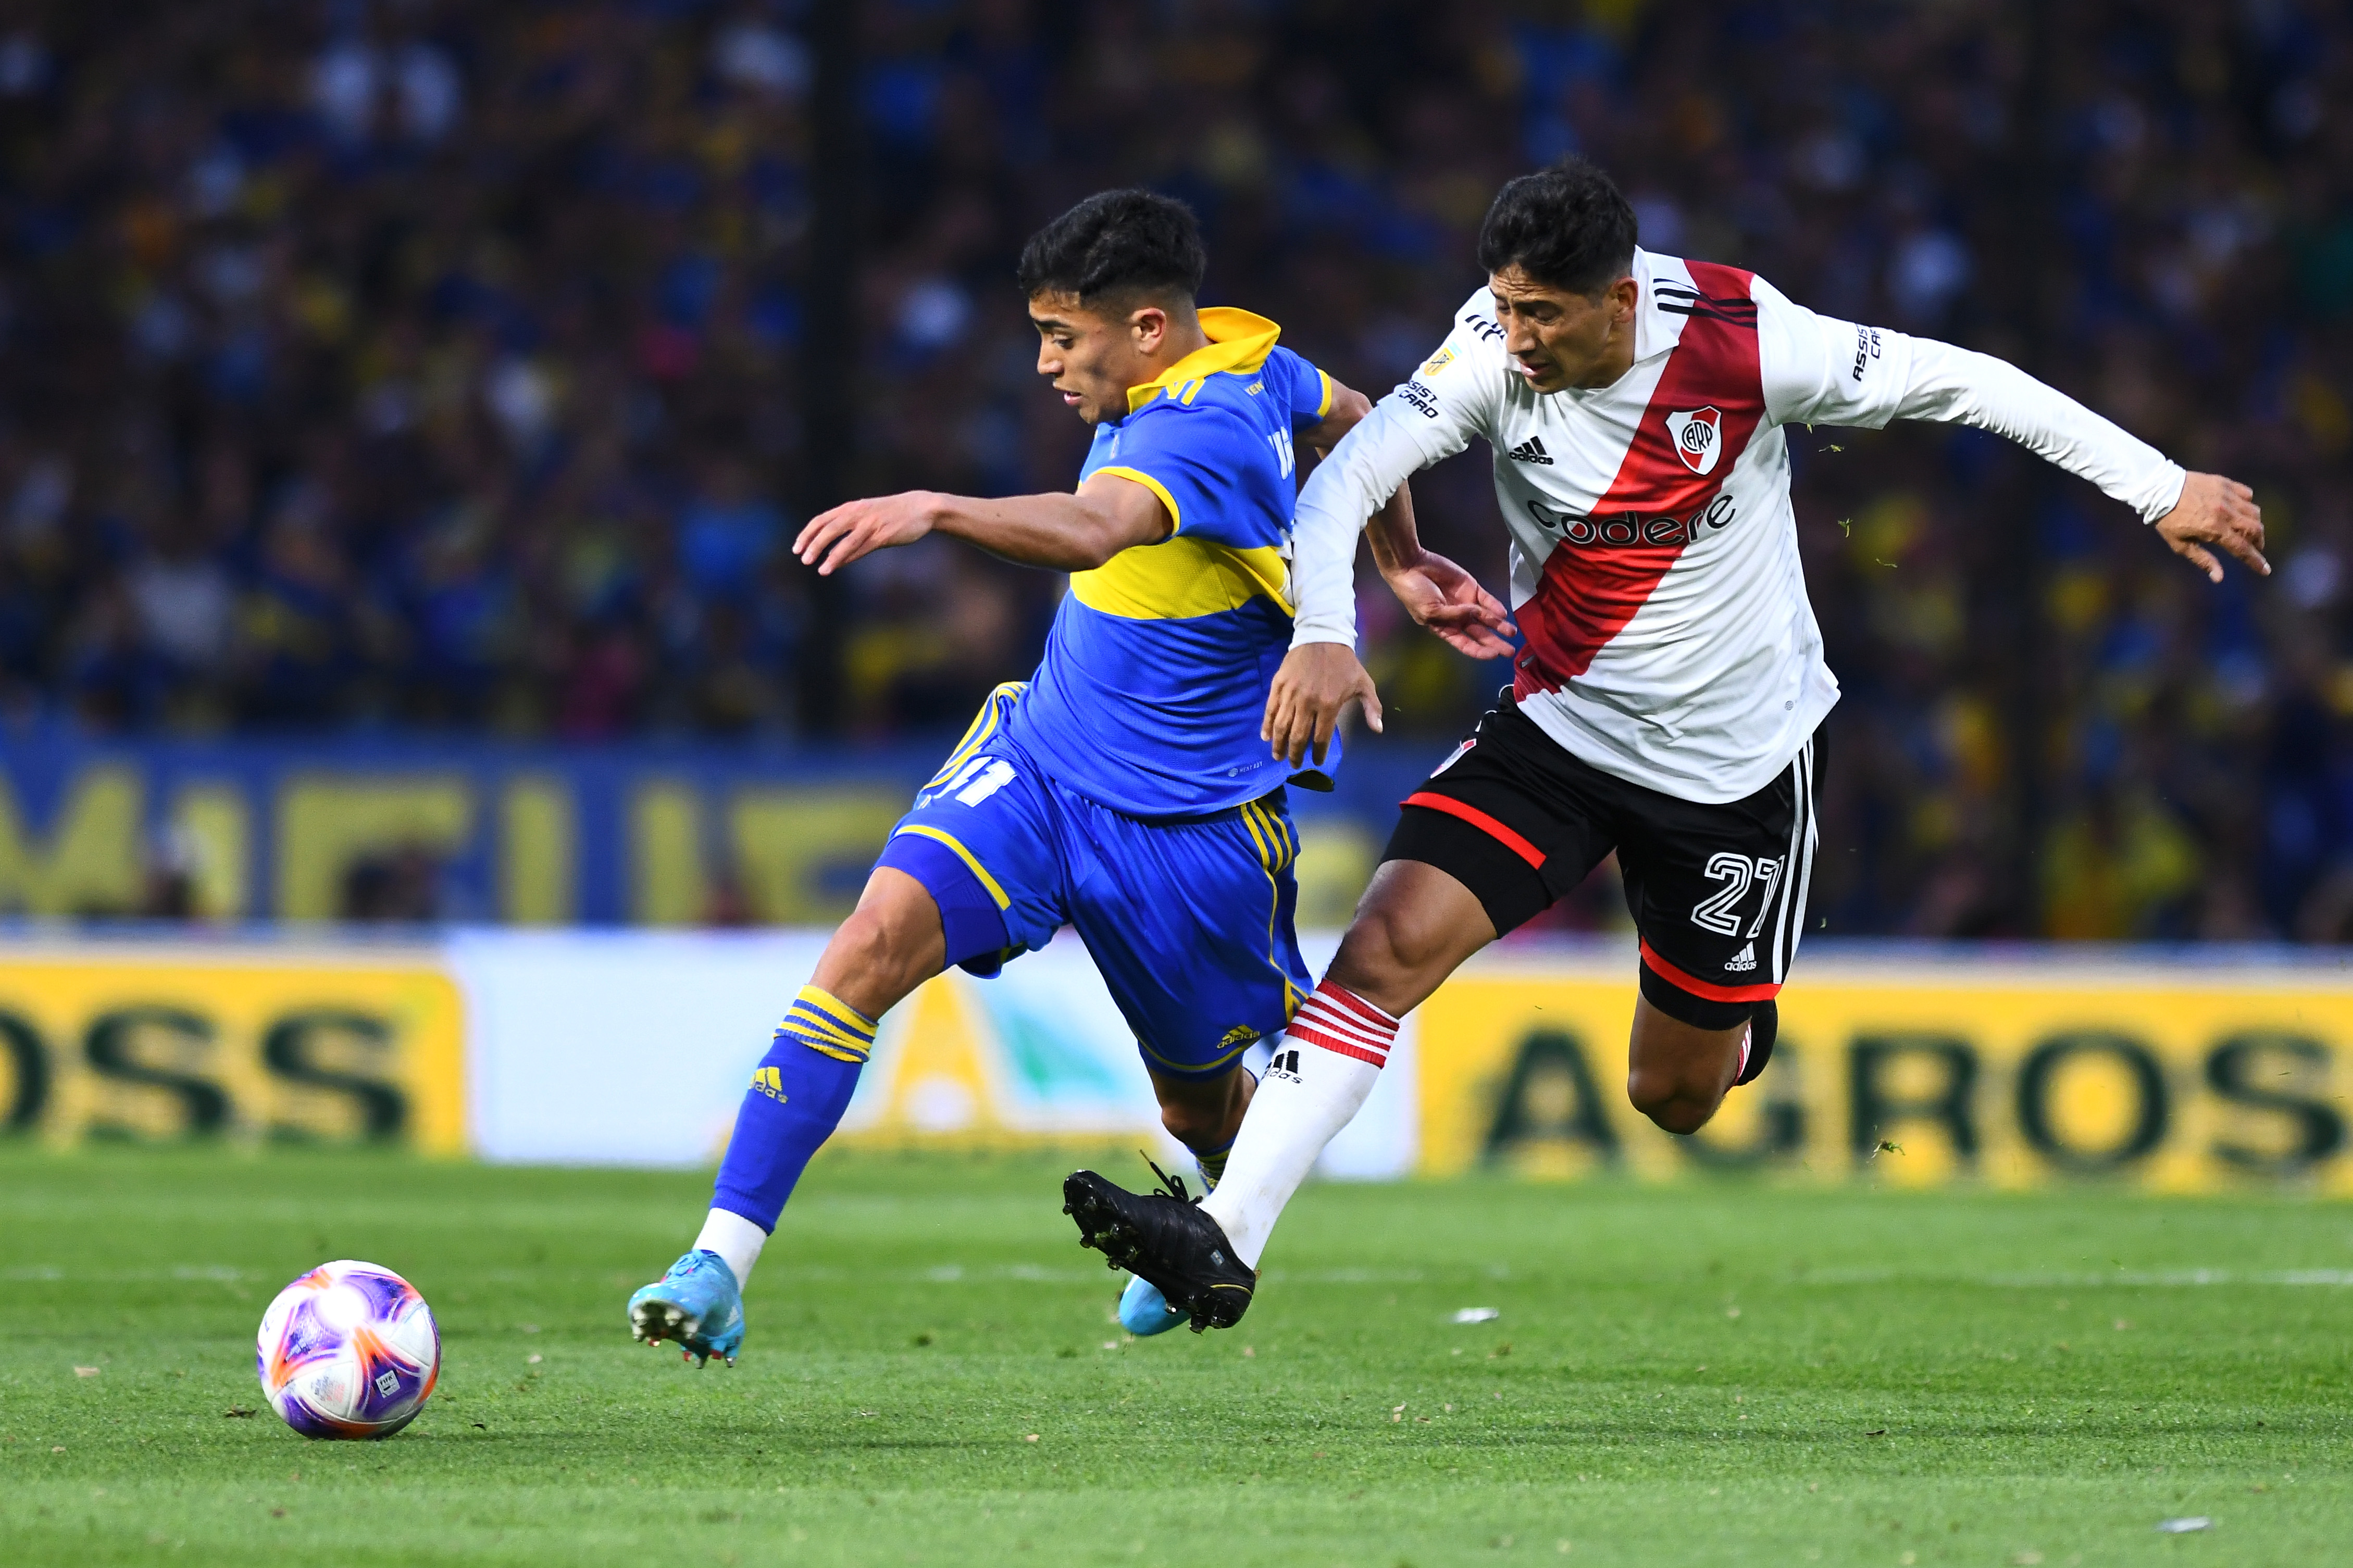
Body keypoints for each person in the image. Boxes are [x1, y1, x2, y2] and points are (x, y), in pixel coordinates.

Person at [1062, 158, 2269, 1331]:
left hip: (1736, 771)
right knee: (1382, 947)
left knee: (1674, 1094)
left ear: (1621, 299)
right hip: (1560, 729)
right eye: (1506, 303)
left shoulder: (1751, 341)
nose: (1517, 334)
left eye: (1542, 313)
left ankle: (1737, 1015)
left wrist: (2159, 486)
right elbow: (1346, 481)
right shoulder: (1487, 349)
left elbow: (1972, 382)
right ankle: (1226, 1243)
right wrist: (1329, 629)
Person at [626, 189, 1506, 1362]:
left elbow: (1095, 528)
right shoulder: (1255, 355)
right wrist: (1395, 565)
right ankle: (720, 1263)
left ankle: (1212, 1228)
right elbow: (1360, 419)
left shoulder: (1191, 430)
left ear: (1146, 327)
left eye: (1063, 337)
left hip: (1191, 832)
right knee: (868, 948)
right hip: (1040, 762)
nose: (1044, 363)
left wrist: (936, 505)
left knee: (1199, 1108)